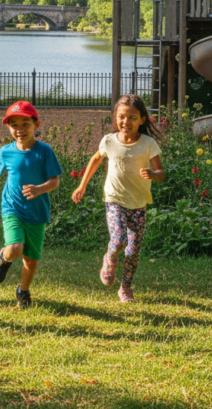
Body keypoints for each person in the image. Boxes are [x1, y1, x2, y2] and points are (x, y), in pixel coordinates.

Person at [71, 95, 164, 303]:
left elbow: (161, 173)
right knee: (119, 239)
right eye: (122, 117)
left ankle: (126, 288)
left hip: (139, 204)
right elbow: (96, 159)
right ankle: (110, 258)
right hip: (114, 200)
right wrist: (82, 185)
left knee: (133, 251)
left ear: (142, 119)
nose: (126, 122)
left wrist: (153, 174)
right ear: (115, 118)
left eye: (132, 117)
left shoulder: (148, 144)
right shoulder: (109, 141)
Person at [0, 101, 63, 308]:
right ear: (8, 127)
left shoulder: (44, 151)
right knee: (15, 248)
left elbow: (55, 181)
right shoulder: (6, 151)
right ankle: (4, 259)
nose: (20, 129)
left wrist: (39, 189)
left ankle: (23, 291)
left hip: (37, 212)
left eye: (26, 123)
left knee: (31, 261)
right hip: (12, 208)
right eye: (14, 124)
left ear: (36, 125)